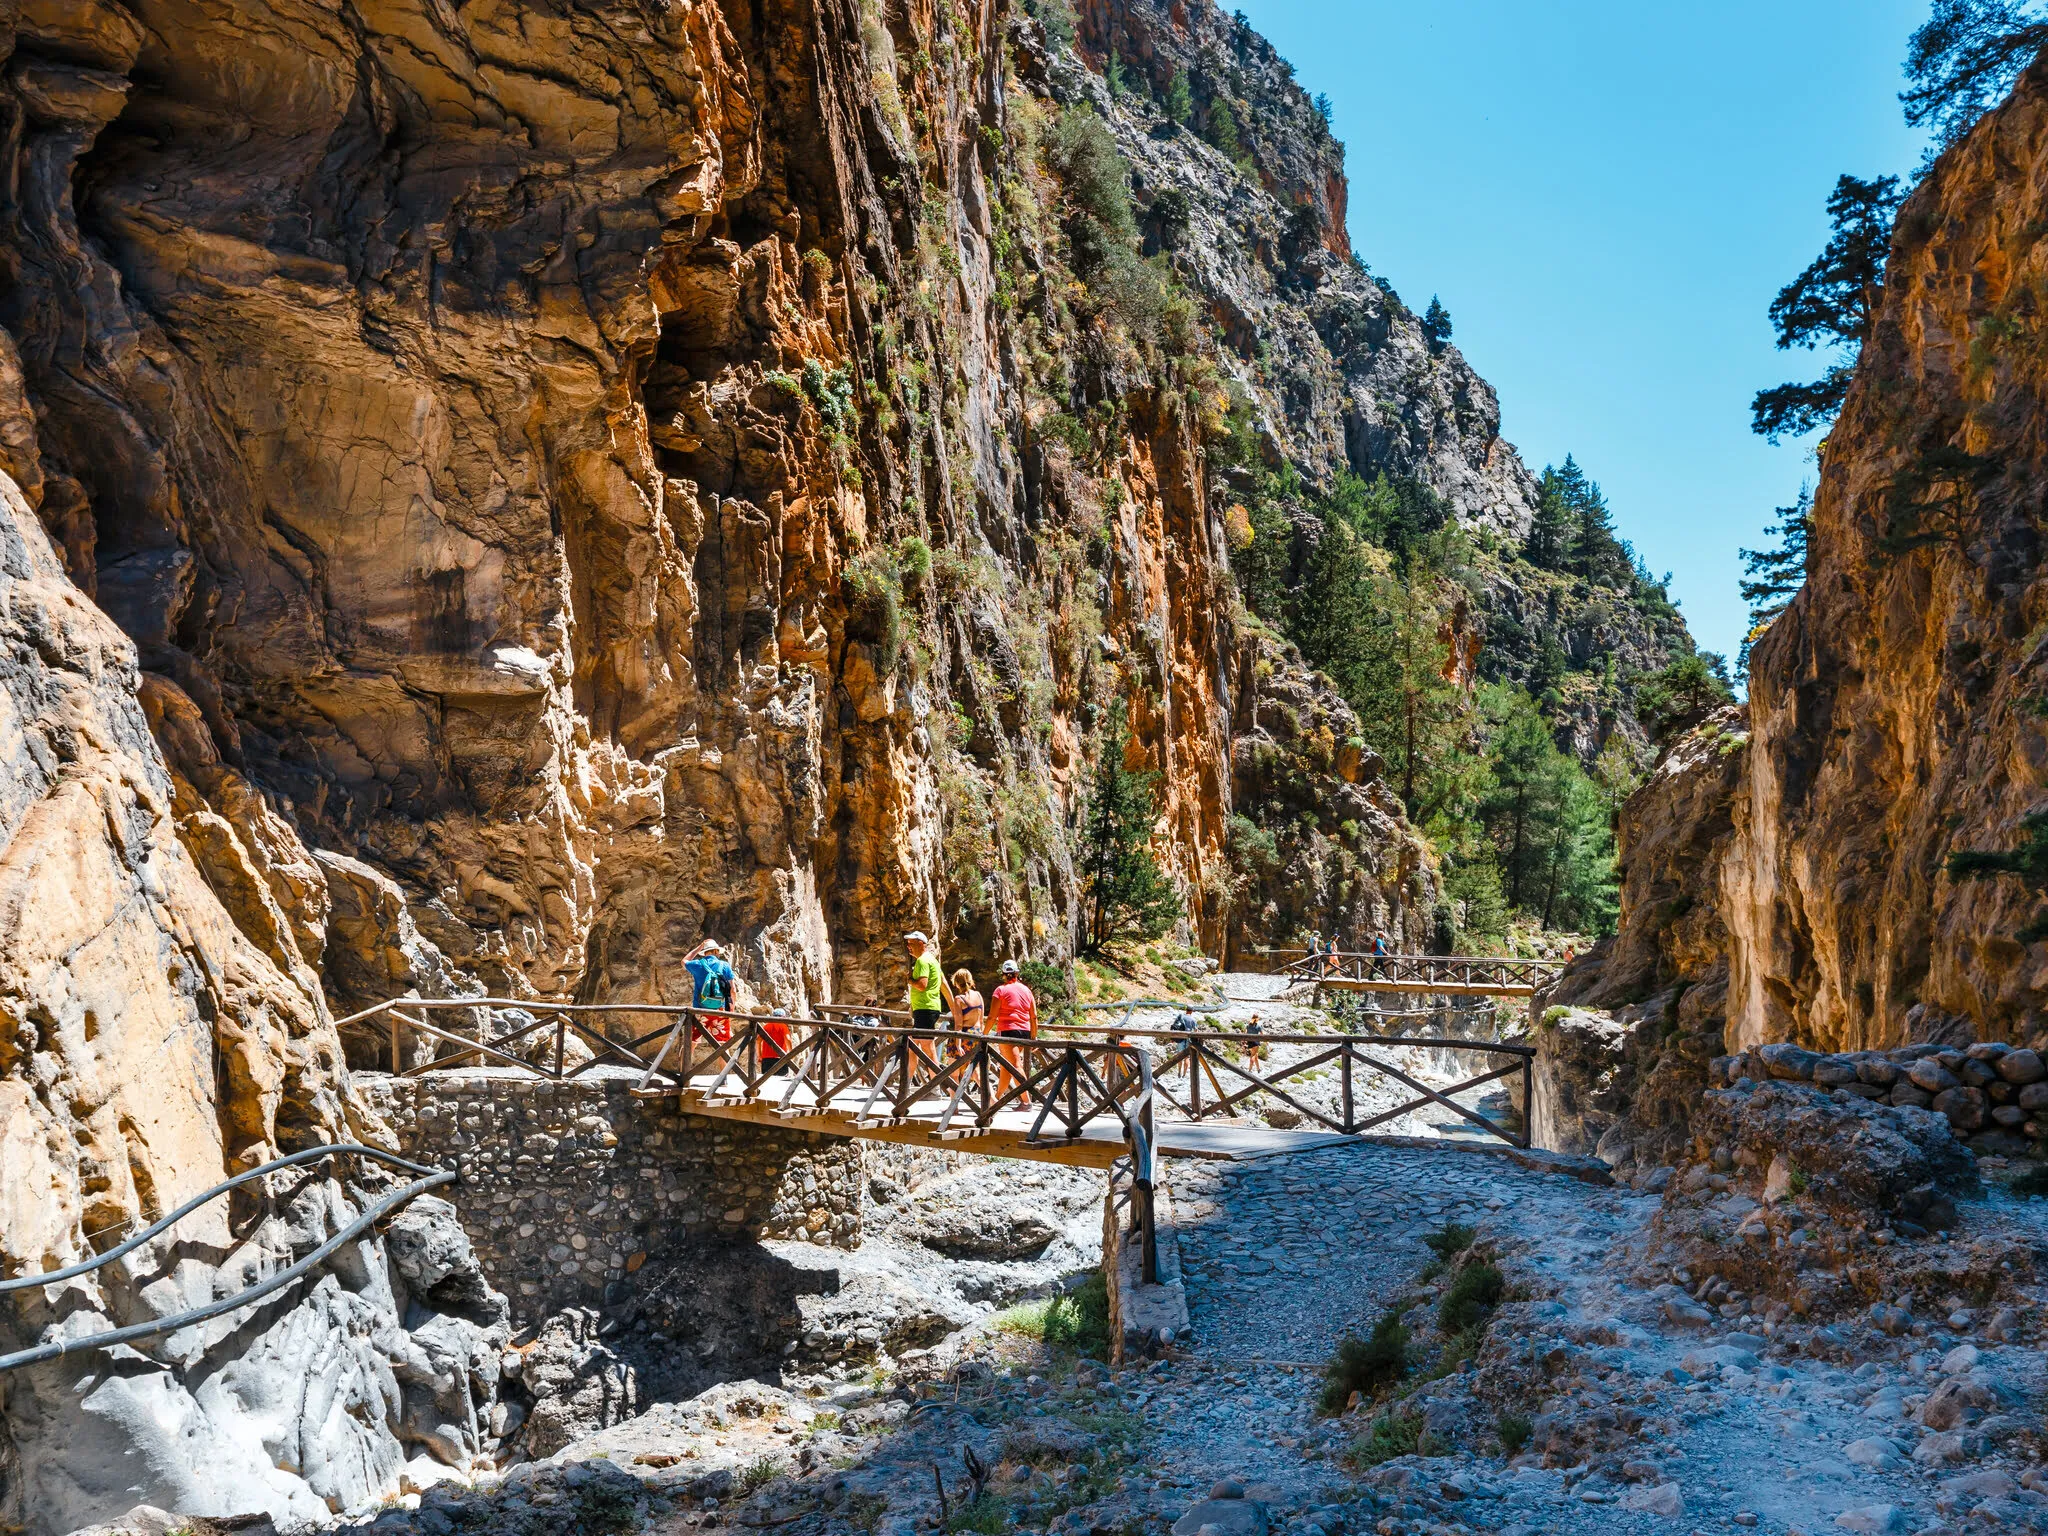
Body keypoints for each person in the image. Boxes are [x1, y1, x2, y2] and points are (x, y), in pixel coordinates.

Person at [989, 959, 1037, 1103]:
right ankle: (997, 1099)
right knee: (1007, 1065)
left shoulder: (1001, 990)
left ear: (1004, 974)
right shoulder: (1027, 990)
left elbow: (992, 1016)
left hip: (1008, 1031)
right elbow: (1034, 1016)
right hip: (1025, 1031)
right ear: (1017, 973)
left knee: (1015, 1066)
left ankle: (1026, 1102)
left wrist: (984, 1034)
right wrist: (1034, 1037)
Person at [683, 938, 738, 1044]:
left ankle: (685, 1060)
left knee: (691, 1043)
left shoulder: (697, 964)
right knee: (722, 1046)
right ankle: (725, 1060)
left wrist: (699, 947)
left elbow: (684, 961)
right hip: (720, 1010)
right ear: (716, 951)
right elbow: (733, 990)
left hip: (699, 1009)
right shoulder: (724, 965)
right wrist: (731, 1009)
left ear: (704, 953)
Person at [904, 930, 953, 1034]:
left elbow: (922, 986)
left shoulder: (922, 961)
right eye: (907, 944)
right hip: (929, 1008)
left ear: (920, 943)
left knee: (926, 1043)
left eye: (910, 943)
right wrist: (954, 1008)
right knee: (915, 1043)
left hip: (924, 1009)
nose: (908, 946)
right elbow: (944, 985)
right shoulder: (932, 960)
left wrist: (910, 980)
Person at [948, 968, 984, 1061]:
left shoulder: (959, 999)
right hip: (977, 1034)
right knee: (974, 1068)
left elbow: (959, 1024)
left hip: (964, 1035)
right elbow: (981, 1020)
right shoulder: (978, 995)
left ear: (956, 983)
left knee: (953, 1069)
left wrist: (958, 1045)